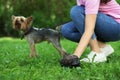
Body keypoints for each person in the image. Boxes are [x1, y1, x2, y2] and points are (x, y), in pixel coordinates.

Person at [59, 0, 120, 67]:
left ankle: (96, 52)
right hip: (105, 24)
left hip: (116, 26)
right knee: (66, 30)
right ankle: (103, 47)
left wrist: (75, 56)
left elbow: (89, 29)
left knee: (76, 11)